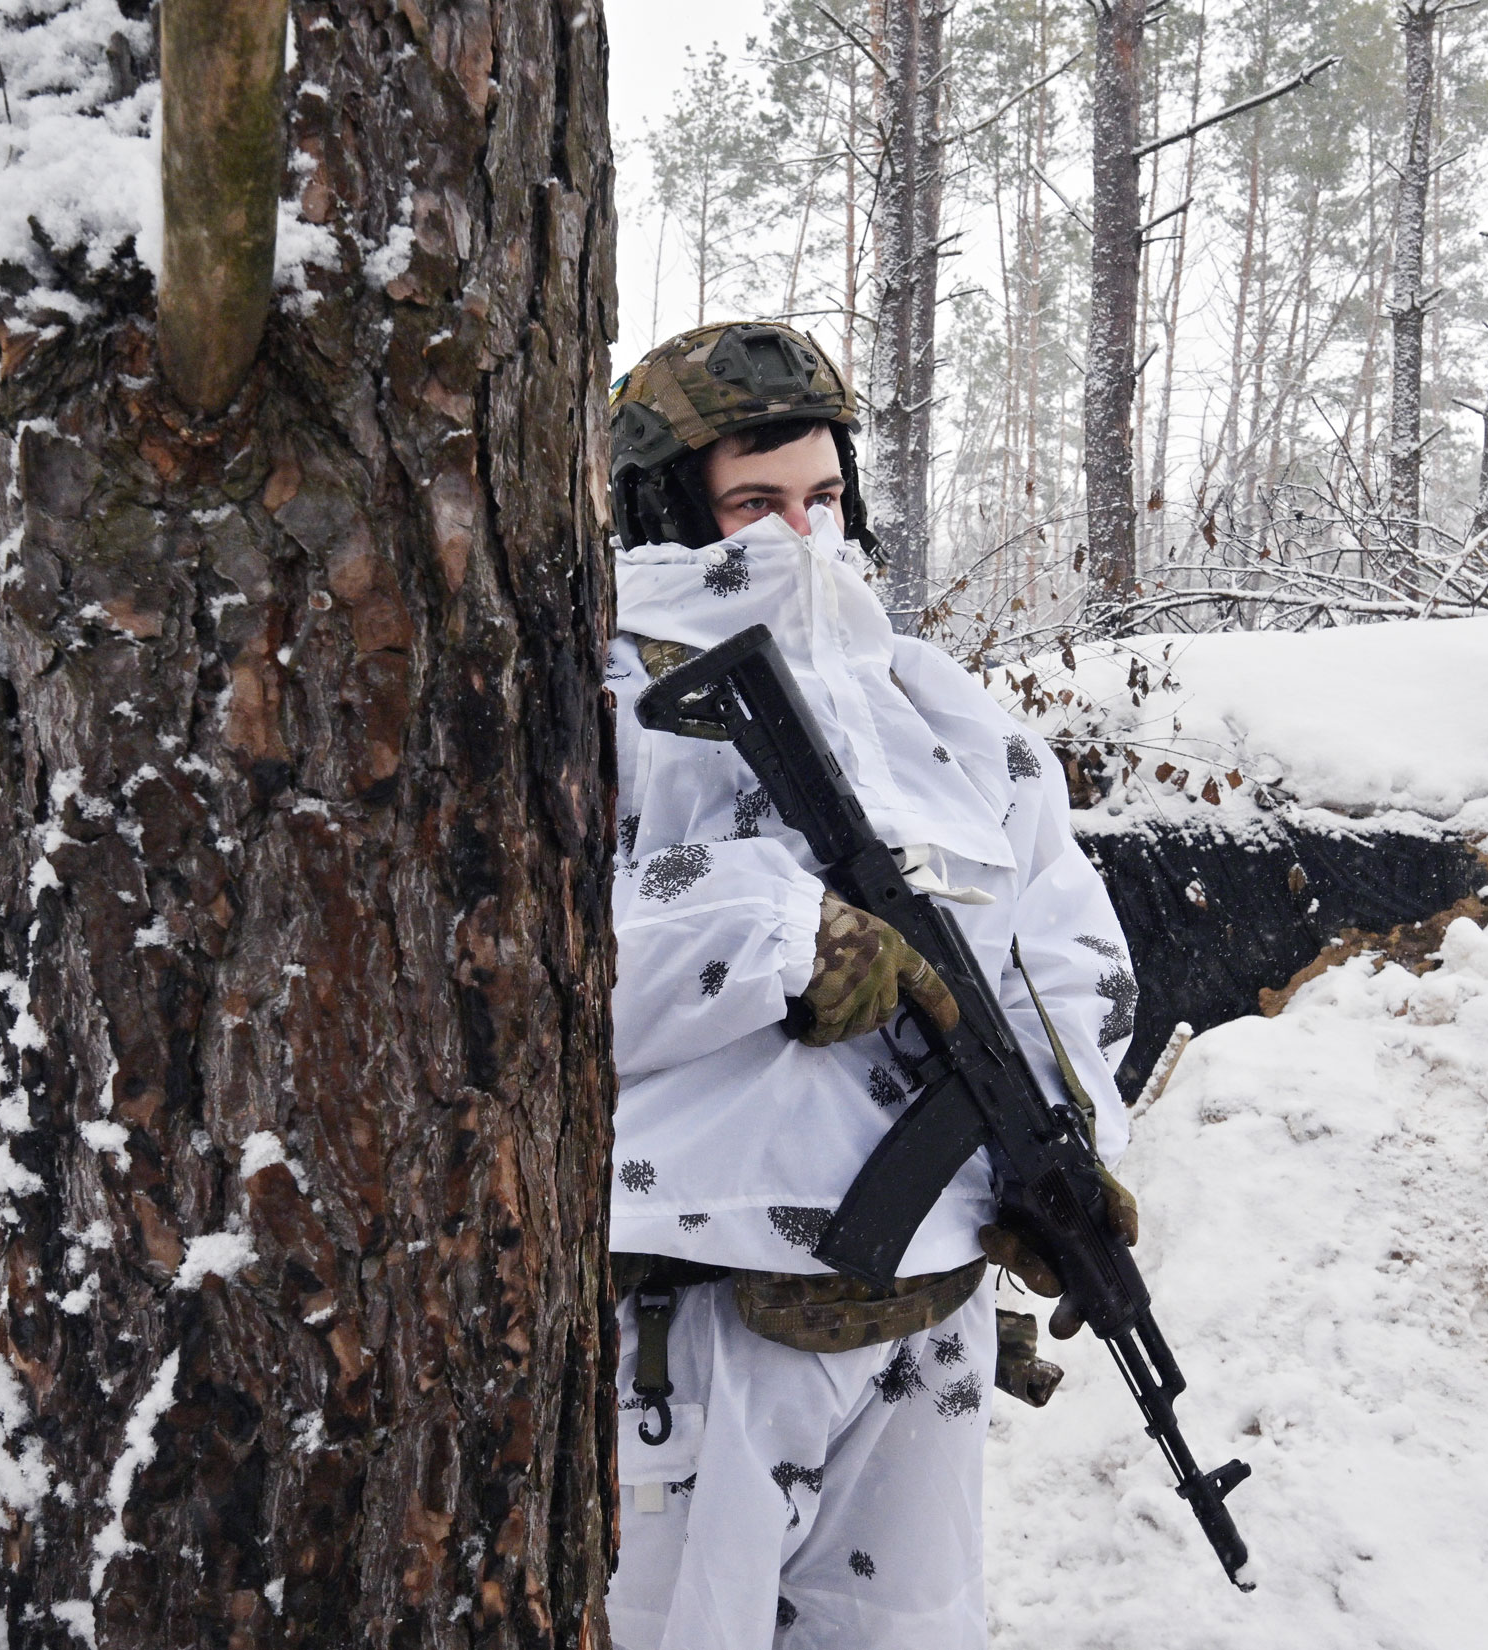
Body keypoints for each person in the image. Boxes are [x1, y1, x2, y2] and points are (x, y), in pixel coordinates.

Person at [603, 321, 1142, 1649]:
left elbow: (1063, 955)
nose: (800, 533)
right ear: (671, 507)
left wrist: (1060, 1153)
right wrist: (784, 937)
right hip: (699, 1326)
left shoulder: (936, 705)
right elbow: (526, 964)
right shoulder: (600, 701)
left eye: (824, 498)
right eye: (754, 502)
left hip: (928, 1322)